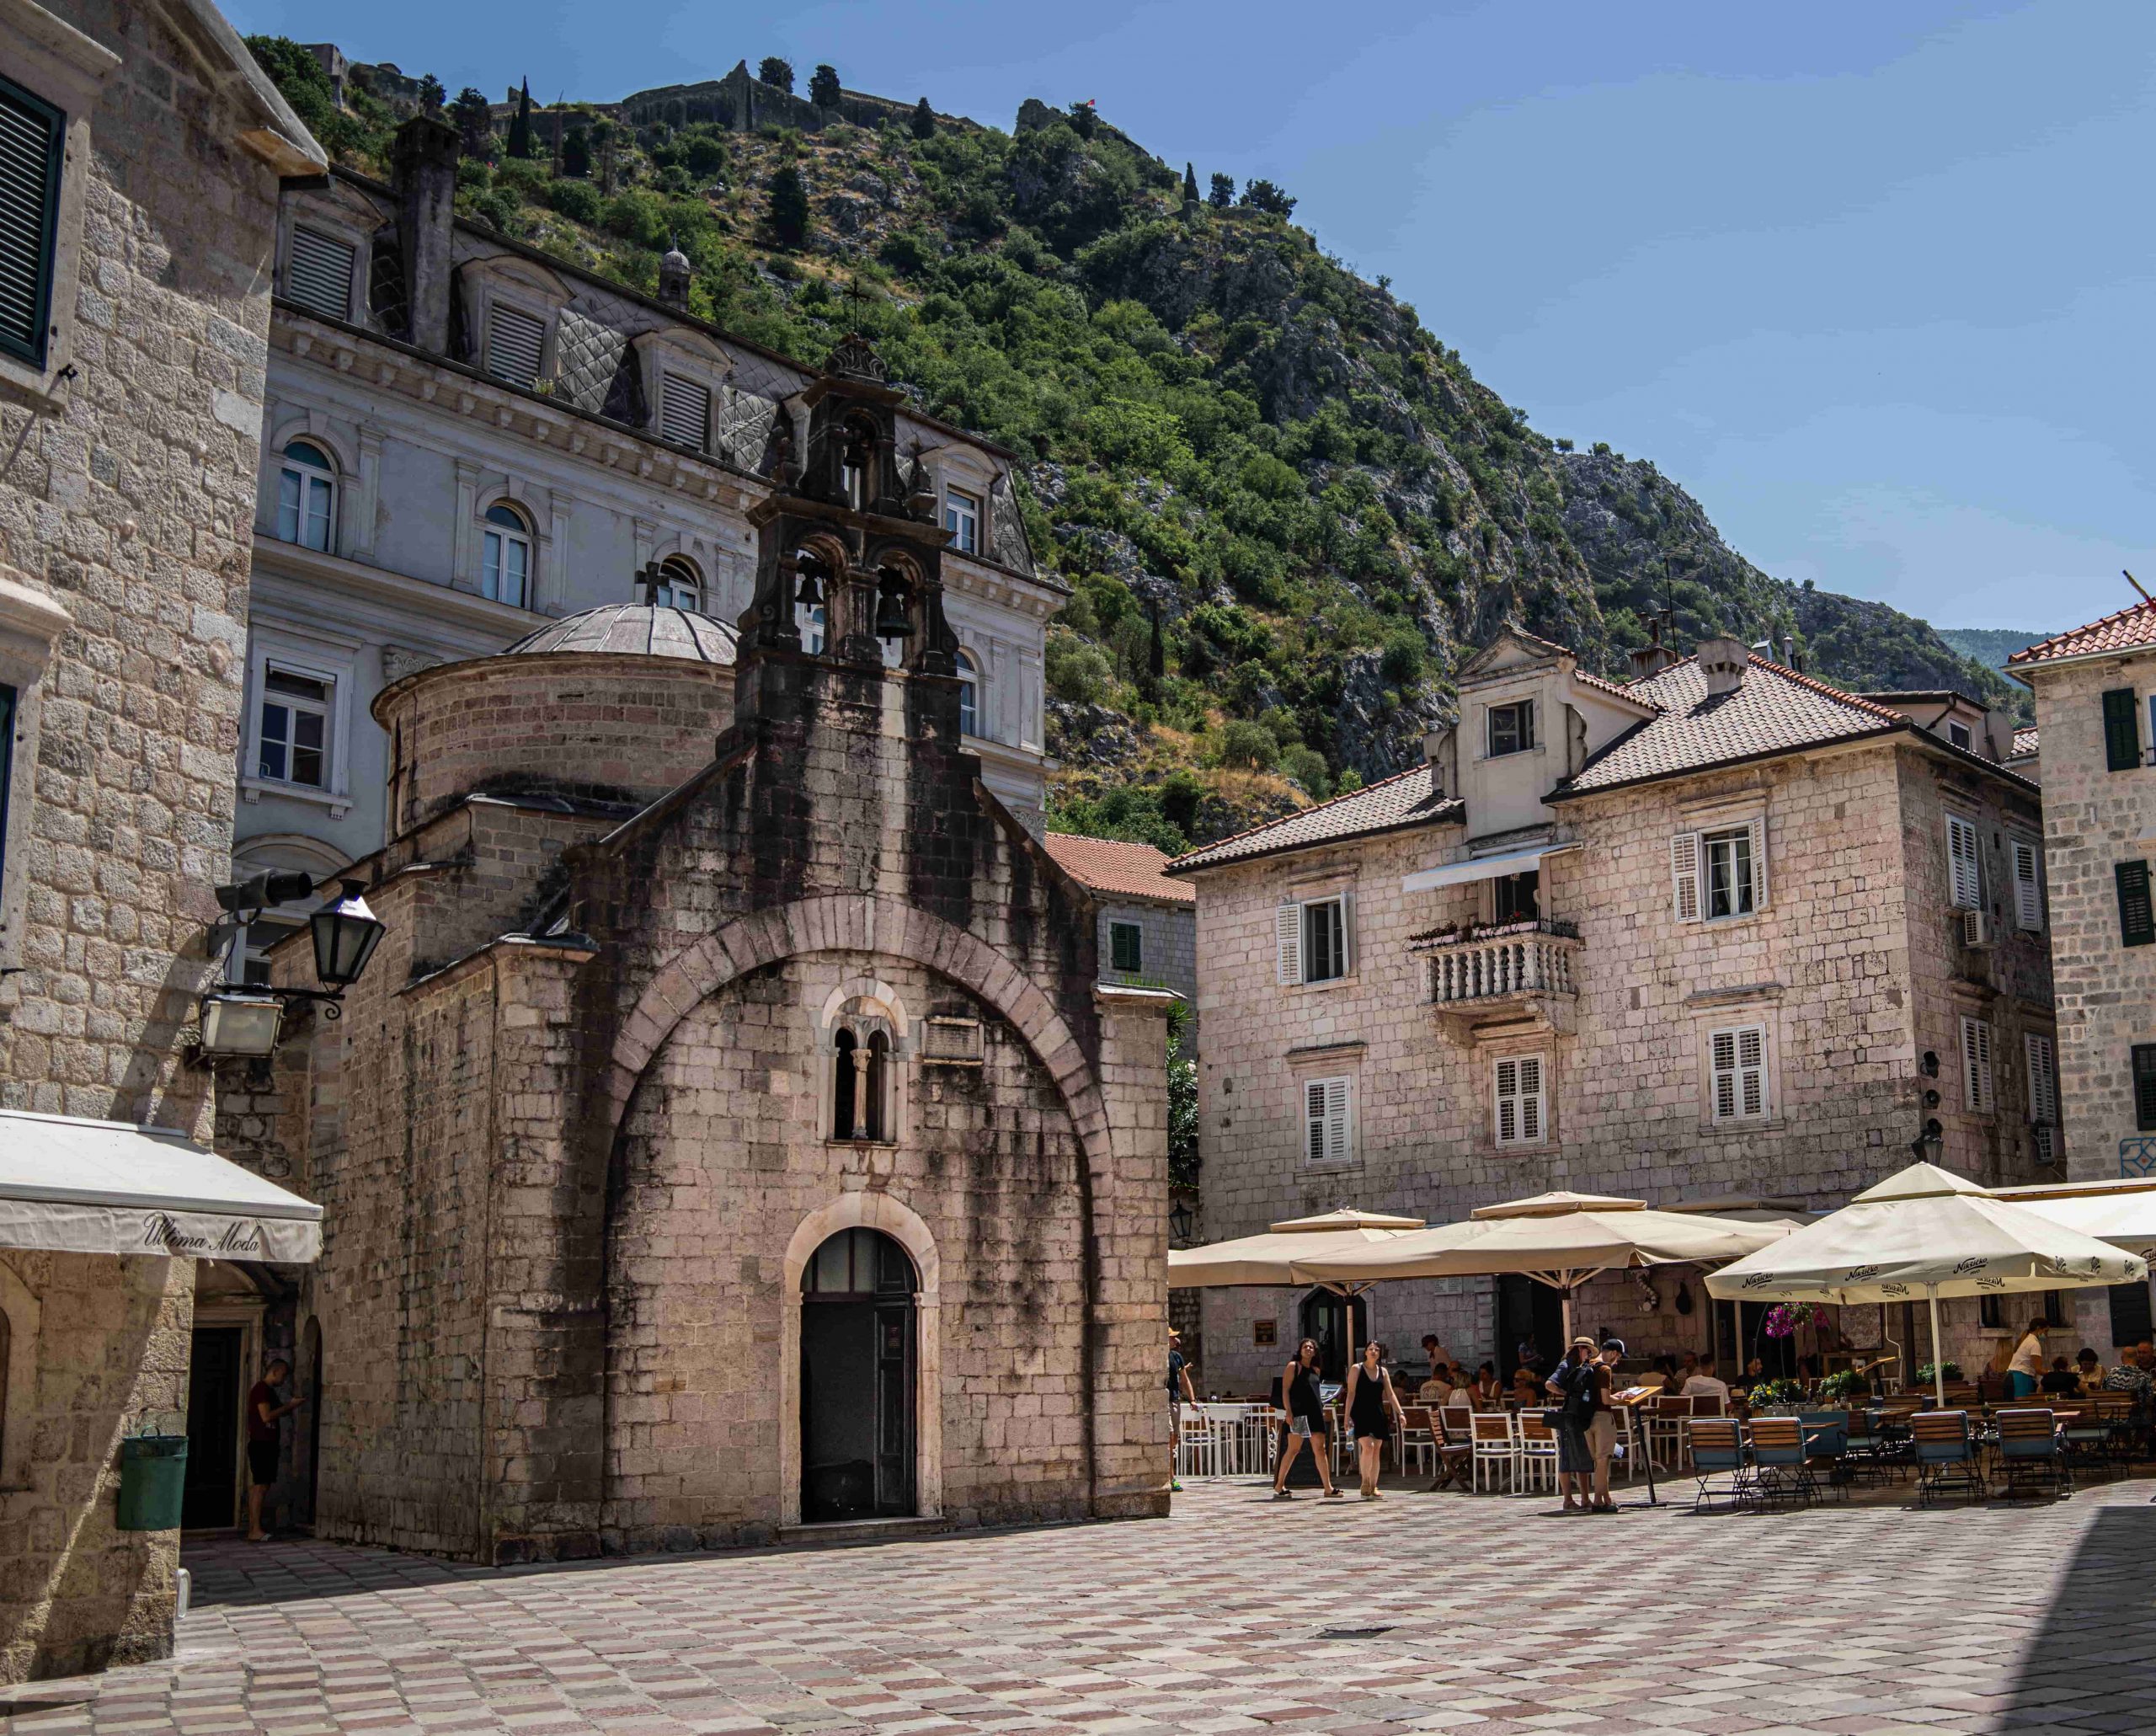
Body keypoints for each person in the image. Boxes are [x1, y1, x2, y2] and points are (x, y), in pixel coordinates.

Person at [1271, 1338, 1343, 1500]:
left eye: (1311, 1347)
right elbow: (1285, 1390)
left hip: (1315, 1413)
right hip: (1299, 1413)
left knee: (1320, 1448)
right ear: (1300, 1350)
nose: (1308, 1349)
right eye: (1305, 1347)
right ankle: (1279, 1483)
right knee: (1294, 1448)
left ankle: (1328, 1487)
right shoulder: (1293, 1367)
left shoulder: (1316, 1370)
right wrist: (1288, 1411)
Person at [244, 1357, 306, 1542]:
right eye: (283, 1375)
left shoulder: (268, 1391)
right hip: (261, 1443)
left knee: (261, 1486)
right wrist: (290, 1406)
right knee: (260, 1487)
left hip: (266, 1443)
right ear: (276, 1371)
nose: (284, 1380)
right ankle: (254, 1529)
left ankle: (255, 1528)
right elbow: (266, 1416)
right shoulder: (261, 1390)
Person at [1343, 1339, 1403, 1500]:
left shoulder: (1382, 1372)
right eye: (1371, 1349)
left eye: (1376, 1349)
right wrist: (1347, 1416)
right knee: (1368, 1446)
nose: (1374, 1351)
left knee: (1377, 1449)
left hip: (1378, 1413)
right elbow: (1351, 1393)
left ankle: (1374, 1485)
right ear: (1366, 1352)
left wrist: (1401, 1413)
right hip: (1360, 1412)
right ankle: (1365, 1481)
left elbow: (1390, 1394)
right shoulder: (1357, 1369)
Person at [1547, 1337, 1598, 1512]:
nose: (1589, 1355)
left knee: (1582, 1455)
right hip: (1569, 1417)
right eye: (1588, 1351)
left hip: (1579, 1416)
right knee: (1567, 1458)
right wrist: (1566, 1394)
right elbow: (1550, 1384)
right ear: (1580, 1349)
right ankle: (1568, 1500)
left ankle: (1585, 1498)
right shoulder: (1566, 1365)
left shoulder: (1582, 1367)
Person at [1167, 1328, 1197, 1492]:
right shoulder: (1159, 1356)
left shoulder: (1176, 1357)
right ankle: (1171, 1478)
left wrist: (1192, 1399)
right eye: (1172, 1337)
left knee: (1174, 1440)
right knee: (1169, 1436)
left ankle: (1170, 1475)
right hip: (1164, 1402)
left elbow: (1185, 1380)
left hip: (1175, 1401)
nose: (1175, 1340)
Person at [2008, 1317, 2047, 1400]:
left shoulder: (2026, 1340)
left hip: (2013, 1377)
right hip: (2021, 1378)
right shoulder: (2034, 1344)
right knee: (2023, 1406)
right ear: (2038, 1328)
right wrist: (2052, 1374)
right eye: (2045, 1331)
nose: (2046, 1335)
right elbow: (2038, 1369)